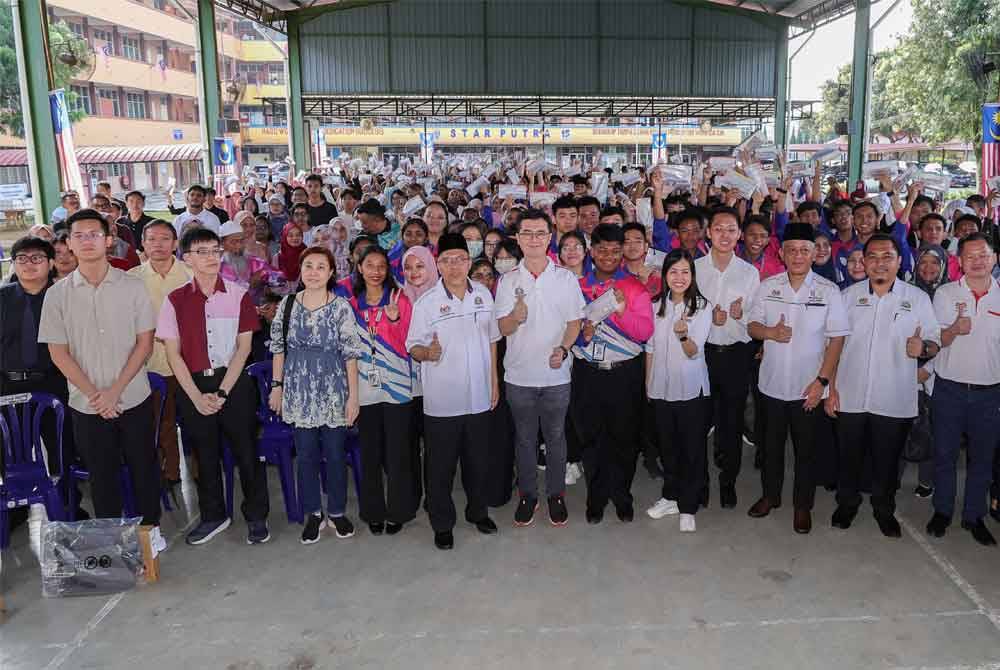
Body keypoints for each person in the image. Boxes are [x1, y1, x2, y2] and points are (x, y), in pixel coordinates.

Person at [38, 210, 161, 541]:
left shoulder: (133, 287)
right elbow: (58, 353)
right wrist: (97, 394)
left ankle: (151, 538)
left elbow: (144, 344)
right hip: (86, 404)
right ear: (69, 244)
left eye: (95, 234)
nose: (87, 240)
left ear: (109, 241)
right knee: (101, 477)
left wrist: (114, 391)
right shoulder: (57, 295)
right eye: (79, 235)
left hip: (133, 397)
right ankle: (114, 545)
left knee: (143, 470)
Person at [157, 227, 270, 546]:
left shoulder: (238, 295)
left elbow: (244, 348)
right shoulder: (174, 301)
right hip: (193, 385)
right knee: (204, 455)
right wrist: (196, 396)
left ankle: (256, 515)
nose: (210, 258)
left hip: (233, 382)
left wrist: (221, 392)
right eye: (202, 252)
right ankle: (213, 516)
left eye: (215, 251)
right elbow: (172, 354)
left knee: (246, 451)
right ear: (187, 258)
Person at [829, 234, 940, 538]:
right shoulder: (847, 297)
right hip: (850, 395)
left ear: (900, 261)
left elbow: (934, 340)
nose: (880, 263)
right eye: (873, 257)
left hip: (894, 396)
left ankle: (883, 508)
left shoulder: (916, 298)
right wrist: (831, 389)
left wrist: (924, 348)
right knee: (848, 456)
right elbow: (833, 346)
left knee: (887, 459)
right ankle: (846, 503)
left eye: (888, 256)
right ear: (863, 262)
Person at [747, 222, 849, 534]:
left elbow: (837, 340)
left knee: (807, 451)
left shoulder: (828, 291)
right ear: (781, 253)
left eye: (805, 250)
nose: (798, 256)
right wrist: (770, 334)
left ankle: (802, 505)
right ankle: (770, 496)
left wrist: (822, 382)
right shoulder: (768, 286)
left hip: (809, 388)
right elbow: (752, 325)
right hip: (772, 384)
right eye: (791, 250)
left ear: (815, 253)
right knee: (771, 448)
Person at [407, 233, 501, 550]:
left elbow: (492, 342)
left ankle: (478, 512)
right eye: (446, 260)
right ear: (438, 264)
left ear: (469, 260)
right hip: (442, 402)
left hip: (478, 396)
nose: (454, 266)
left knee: (478, 461)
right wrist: (426, 354)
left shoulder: (484, 296)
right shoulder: (427, 303)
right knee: (440, 467)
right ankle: (442, 523)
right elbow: (413, 346)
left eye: (460, 258)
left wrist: (494, 384)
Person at [495, 209, 584, 527]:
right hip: (518, 376)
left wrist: (563, 348)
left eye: (540, 233)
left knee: (557, 436)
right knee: (524, 439)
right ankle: (528, 494)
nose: (533, 239)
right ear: (517, 239)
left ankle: (556, 495)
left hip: (556, 376)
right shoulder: (507, 282)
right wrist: (513, 318)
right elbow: (502, 330)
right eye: (527, 233)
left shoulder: (565, 279)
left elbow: (575, 323)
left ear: (550, 237)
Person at [270, 246, 364, 544]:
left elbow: (351, 354)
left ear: (331, 272)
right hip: (298, 389)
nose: (313, 272)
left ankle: (336, 511)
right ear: (300, 270)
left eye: (320, 266)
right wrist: (277, 387)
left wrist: (353, 396)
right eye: (308, 266)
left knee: (336, 454)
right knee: (306, 454)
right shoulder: (286, 305)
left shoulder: (341, 307)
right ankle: (312, 512)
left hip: (334, 388)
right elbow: (278, 349)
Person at [572, 223, 654, 523]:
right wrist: (584, 335)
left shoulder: (634, 287)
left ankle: (621, 494)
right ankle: (596, 496)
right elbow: (567, 332)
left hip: (624, 373)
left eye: (614, 251)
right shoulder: (577, 287)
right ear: (591, 251)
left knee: (624, 437)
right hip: (588, 372)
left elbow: (645, 332)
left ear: (622, 254)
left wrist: (621, 312)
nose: (607, 256)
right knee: (590, 437)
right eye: (602, 249)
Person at [925, 233, 1000, 546]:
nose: (978, 261)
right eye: (970, 256)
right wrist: (955, 328)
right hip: (949, 388)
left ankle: (973, 515)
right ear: (959, 261)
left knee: (982, 459)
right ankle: (942, 510)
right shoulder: (944, 294)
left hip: (990, 392)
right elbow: (934, 341)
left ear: (994, 258)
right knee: (944, 454)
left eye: (983, 254)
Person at [0, 237, 82, 513]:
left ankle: (69, 506)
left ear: (50, 263)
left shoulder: (66, 297)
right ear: (13, 264)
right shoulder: (2, 297)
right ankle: (16, 509)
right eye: (21, 258)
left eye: (37, 258)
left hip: (54, 382)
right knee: (9, 450)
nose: (29, 264)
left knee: (61, 448)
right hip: (8, 385)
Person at [348, 245, 416, 535]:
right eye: (370, 265)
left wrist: (394, 320)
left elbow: (409, 345)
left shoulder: (400, 299)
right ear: (360, 268)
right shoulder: (351, 304)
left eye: (381, 266)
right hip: (364, 387)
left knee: (398, 452)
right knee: (370, 453)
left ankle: (400, 510)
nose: (376, 271)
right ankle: (373, 511)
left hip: (398, 386)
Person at [695, 207, 760, 509]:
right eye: (719, 228)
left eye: (731, 229)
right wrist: (707, 317)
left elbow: (757, 315)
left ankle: (728, 480)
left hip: (735, 354)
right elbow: (685, 311)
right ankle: (701, 482)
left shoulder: (749, 272)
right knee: (698, 421)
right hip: (701, 355)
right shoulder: (694, 268)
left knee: (731, 421)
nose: (725, 235)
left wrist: (741, 314)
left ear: (739, 235)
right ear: (708, 232)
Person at [646, 249, 712, 532]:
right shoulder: (655, 305)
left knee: (692, 449)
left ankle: (688, 505)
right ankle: (670, 496)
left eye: (685, 272)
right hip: (661, 388)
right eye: (673, 272)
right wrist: (648, 385)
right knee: (668, 448)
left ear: (692, 276)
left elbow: (694, 351)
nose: (679, 277)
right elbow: (649, 348)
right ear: (665, 275)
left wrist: (684, 334)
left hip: (691, 391)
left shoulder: (701, 306)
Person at [127, 220, 192, 488]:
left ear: (175, 243)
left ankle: (200, 472)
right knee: (160, 422)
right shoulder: (131, 278)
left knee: (194, 422)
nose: (158, 245)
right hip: (150, 364)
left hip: (189, 363)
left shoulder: (191, 274)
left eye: (165, 239)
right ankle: (170, 471)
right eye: (151, 239)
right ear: (143, 243)